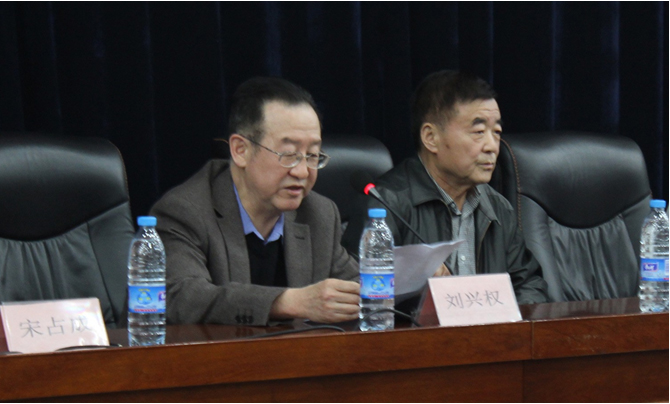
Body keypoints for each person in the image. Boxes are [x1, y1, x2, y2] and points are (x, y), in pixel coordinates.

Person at [151, 77, 360, 326]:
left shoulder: (318, 213)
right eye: (289, 154)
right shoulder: (185, 211)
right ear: (241, 150)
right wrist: (287, 302)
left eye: (313, 155)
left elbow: (358, 290)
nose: (303, 171)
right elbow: (179, 297)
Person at [342, 70, 548, 306]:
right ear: (431, 138)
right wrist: (413, 287)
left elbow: (530, 284)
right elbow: (357, 297)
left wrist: (510, 321)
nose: (492, 146)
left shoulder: (498, 208)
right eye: (478, 132)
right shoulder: (385, 204)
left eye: (497, 133)